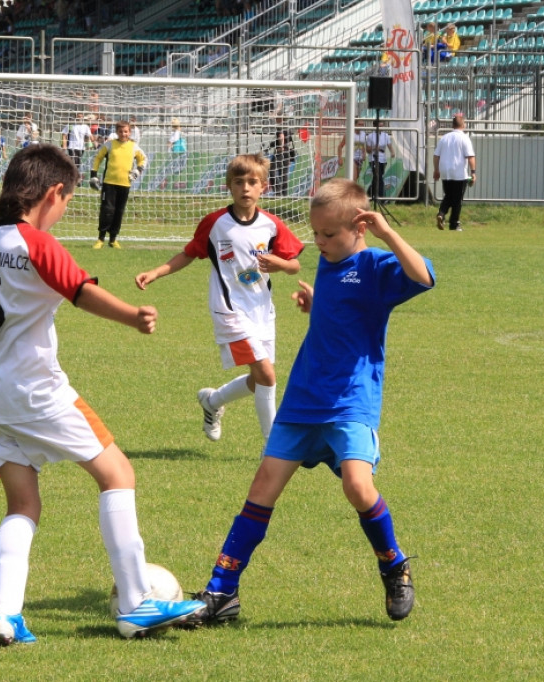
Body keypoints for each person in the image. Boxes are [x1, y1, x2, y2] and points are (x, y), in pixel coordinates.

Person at [0, 144, 206, 645]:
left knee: (22, 505)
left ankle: (4, 615)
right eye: (67, 201)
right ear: (54, 192)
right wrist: (134, 314)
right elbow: (80, 291)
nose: (63, 212)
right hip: (36, 392)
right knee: (117, 472)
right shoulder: (37, 245)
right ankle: (135, 603)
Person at [181, 178, 435, 627]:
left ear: (360, 227)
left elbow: (424, 276)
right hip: (303, 399)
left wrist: (389, 234)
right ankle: (222, 593)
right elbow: (342, 310)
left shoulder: (376, 265)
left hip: (349, 401)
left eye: (329, 235)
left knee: (358, 488)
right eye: (315, 234)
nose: (319, 243)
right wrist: (316, 303)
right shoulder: (328, 263)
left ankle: (393, 564)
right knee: (261, 490)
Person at [134, 153, 303, 445]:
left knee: (258, 380)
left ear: (264, 186)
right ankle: (274, 447)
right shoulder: (215, 223)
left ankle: (213, 401)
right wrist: (155, 272)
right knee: (267, 374)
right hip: (229, 310)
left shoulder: (272, 225)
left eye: (252, 182)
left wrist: (281, 265)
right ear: (229, 186)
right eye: (239, 182)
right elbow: (189, 253)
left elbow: (294, 264)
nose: (246, 188)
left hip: (262, 310)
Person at [89, 120, 147, 249]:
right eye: (120, 131)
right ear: (117, 132)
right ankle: (101, 239)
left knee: (119, 212)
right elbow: (97, 157)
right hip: (109, 183)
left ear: (129, 132)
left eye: (125, 131)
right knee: (107, 211)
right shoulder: (109, 145)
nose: (123, 134)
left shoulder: (134, 147)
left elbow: (143, 159)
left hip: (125, 184)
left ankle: (113, 239)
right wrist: (93, 175)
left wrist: (137, 171)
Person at [432, 113, 476, 231]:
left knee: (449, 196)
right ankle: (454, 224)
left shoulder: (445, 137)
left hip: (445, 172)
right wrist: (473, 172)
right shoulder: (464, 138)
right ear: (463, 124)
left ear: (453, 125)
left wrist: (436, 170)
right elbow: (470, 156)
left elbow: (436, 155)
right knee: (457, 199)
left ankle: (441, 213)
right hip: (459, 172)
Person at [364, 122, 395, 202]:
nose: (381, 127)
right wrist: (374, 148)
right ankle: (381, 197)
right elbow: (368, 150)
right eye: (379, 125)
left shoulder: (386, 135)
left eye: (382, 125)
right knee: (379, 177)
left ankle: (370, 195)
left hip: (382, 158)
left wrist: (392, 152)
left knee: (376, 177)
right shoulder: (370, 136)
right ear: (375, 126)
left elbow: (389, 145)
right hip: (374, 158)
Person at [267, 121, 296, 196]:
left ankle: (278, 192)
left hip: (280, 153)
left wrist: (281, 147)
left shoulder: (280, 127)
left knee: (272, 171)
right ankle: (284, 194)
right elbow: (288, 142)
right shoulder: (288, 129)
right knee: (283, 174)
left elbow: (281, 136)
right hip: (287, 154)